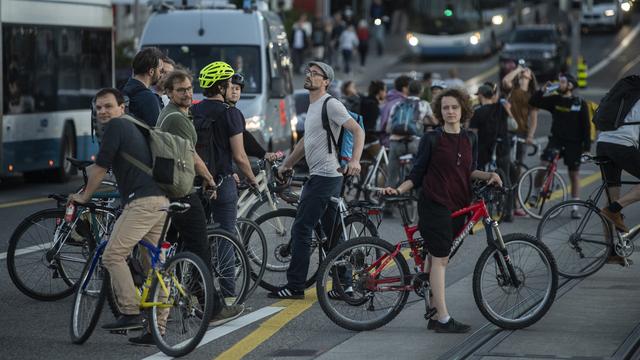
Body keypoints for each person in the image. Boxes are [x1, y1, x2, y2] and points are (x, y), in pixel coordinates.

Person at [382, 88, 502, 333]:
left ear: (463, 110)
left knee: (434, 258)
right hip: (434, 204)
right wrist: (398, 189)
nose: (450, 112)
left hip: (459, 206)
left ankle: (435, 314)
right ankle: (444, 319)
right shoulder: (431, 139)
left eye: (454, 107)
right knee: (440, 259)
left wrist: (490, 175)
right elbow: (417, 173)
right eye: (445, 108)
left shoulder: (470, 138)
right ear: (439, 111)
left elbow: (470, 170)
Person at [69, 88, 169, 331]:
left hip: (142, 203)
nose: (103, 111)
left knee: (112, 255)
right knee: (152, 264)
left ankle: (130, 311)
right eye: (99, 108)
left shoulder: (116, 127)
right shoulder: (134, 124)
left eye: (108, 106)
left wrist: (83, 197)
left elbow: (100, 167)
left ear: (121, 107)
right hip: (161, 200)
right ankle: (157, 327)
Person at [155, 70, 245, 334]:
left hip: (174, 184)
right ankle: (216, 305)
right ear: (169, 93)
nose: (186, 93)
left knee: (174, 247)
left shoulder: (185, 113)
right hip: (183, 187)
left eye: (189, 88)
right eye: (180, 90)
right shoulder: (183, 118)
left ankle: (167, 309)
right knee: (202, 245)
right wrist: (210, 179)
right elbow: (193, 154)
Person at [269, 61, 364, 299]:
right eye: (308, 72)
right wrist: (287, 164)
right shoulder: (314, 107)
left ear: (326, 82)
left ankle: (295, 286)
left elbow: (357, 130)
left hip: (326, 177)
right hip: (322, 177)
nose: (309, 75)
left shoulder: (331, 104)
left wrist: (355, 160)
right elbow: (304, 143)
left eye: (315, 74)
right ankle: (344, 286)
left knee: (302, 228)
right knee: (332, 235)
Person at [191, 61, 259, 304]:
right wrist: (252, 180)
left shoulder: (194, 110)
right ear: (221, 86)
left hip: (197, 182)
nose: (232, 86)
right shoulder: (231, 114)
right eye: (229, 82)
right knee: (225, 238)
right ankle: (229, 295)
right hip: (222, 182)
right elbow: (240, 156)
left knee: (198, 237)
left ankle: (195, 288)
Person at [529, 74, 591, 219]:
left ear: (570, 85)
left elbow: (586, 127)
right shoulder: (556, 99)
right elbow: (534, 102)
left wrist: (586, 148)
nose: (559, 84)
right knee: (543, 165)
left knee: (574, 174)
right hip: (556, 140)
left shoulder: (580, 103)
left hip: (573, 143)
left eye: (562, 82)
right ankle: (535, 193)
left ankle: (575, 207)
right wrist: (542, 90)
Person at [596, 98, 640, 258]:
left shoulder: (626, 97)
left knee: (611, 198)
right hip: (621, 145)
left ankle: (610, 253)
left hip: (603, 143)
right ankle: (614, 210)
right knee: (611, 208)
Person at [468, 82, 516, 221]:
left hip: (485, 149)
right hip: (503, 147)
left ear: (481, 96)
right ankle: (509, 211)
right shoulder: (500, 108)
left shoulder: (478, 111)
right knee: (505, 178)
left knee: (479, 175)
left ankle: (479, 207)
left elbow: (473, 133)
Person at [502, 66, 538, 217]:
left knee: (518, 169)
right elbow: (505, 80)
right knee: (504, 164)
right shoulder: (512, 89)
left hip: (522, 132)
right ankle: (503, 199)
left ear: (531, 77)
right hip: (507, 131)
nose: (525, 71)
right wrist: (518, 69)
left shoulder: (532, 95)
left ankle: (516, 203)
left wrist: (530, 136)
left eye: (528, 70)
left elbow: (534, 120)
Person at [386, 80, 433, 187]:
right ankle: (416, 196)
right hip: (414, 143)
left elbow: (388, 128)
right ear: (421, 91)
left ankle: (388, 201)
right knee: (420, 171)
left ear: (407, 91)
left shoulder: (397, 104)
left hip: (395, 143)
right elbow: (434, 121)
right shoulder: (423, 104)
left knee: (391, 177)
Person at [122, 47, 165, 126]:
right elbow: (156, 134)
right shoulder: (148, 98)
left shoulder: (123, 92)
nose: (162, 74)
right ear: (151, 72)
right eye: (161, 70)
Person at [379, 75, 412, 147]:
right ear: (404, 89)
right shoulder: (403, 103)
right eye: (410, 87)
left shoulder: (387, 101)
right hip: (395, 142)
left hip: (384, 140)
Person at [360, 80, 386, 159]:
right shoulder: (374, 105)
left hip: (360, 138)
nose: (386, 94)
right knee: (382, 163)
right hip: (370, 138)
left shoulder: (364, 101)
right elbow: (375, 125)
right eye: (385, 91)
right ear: (380, 92)